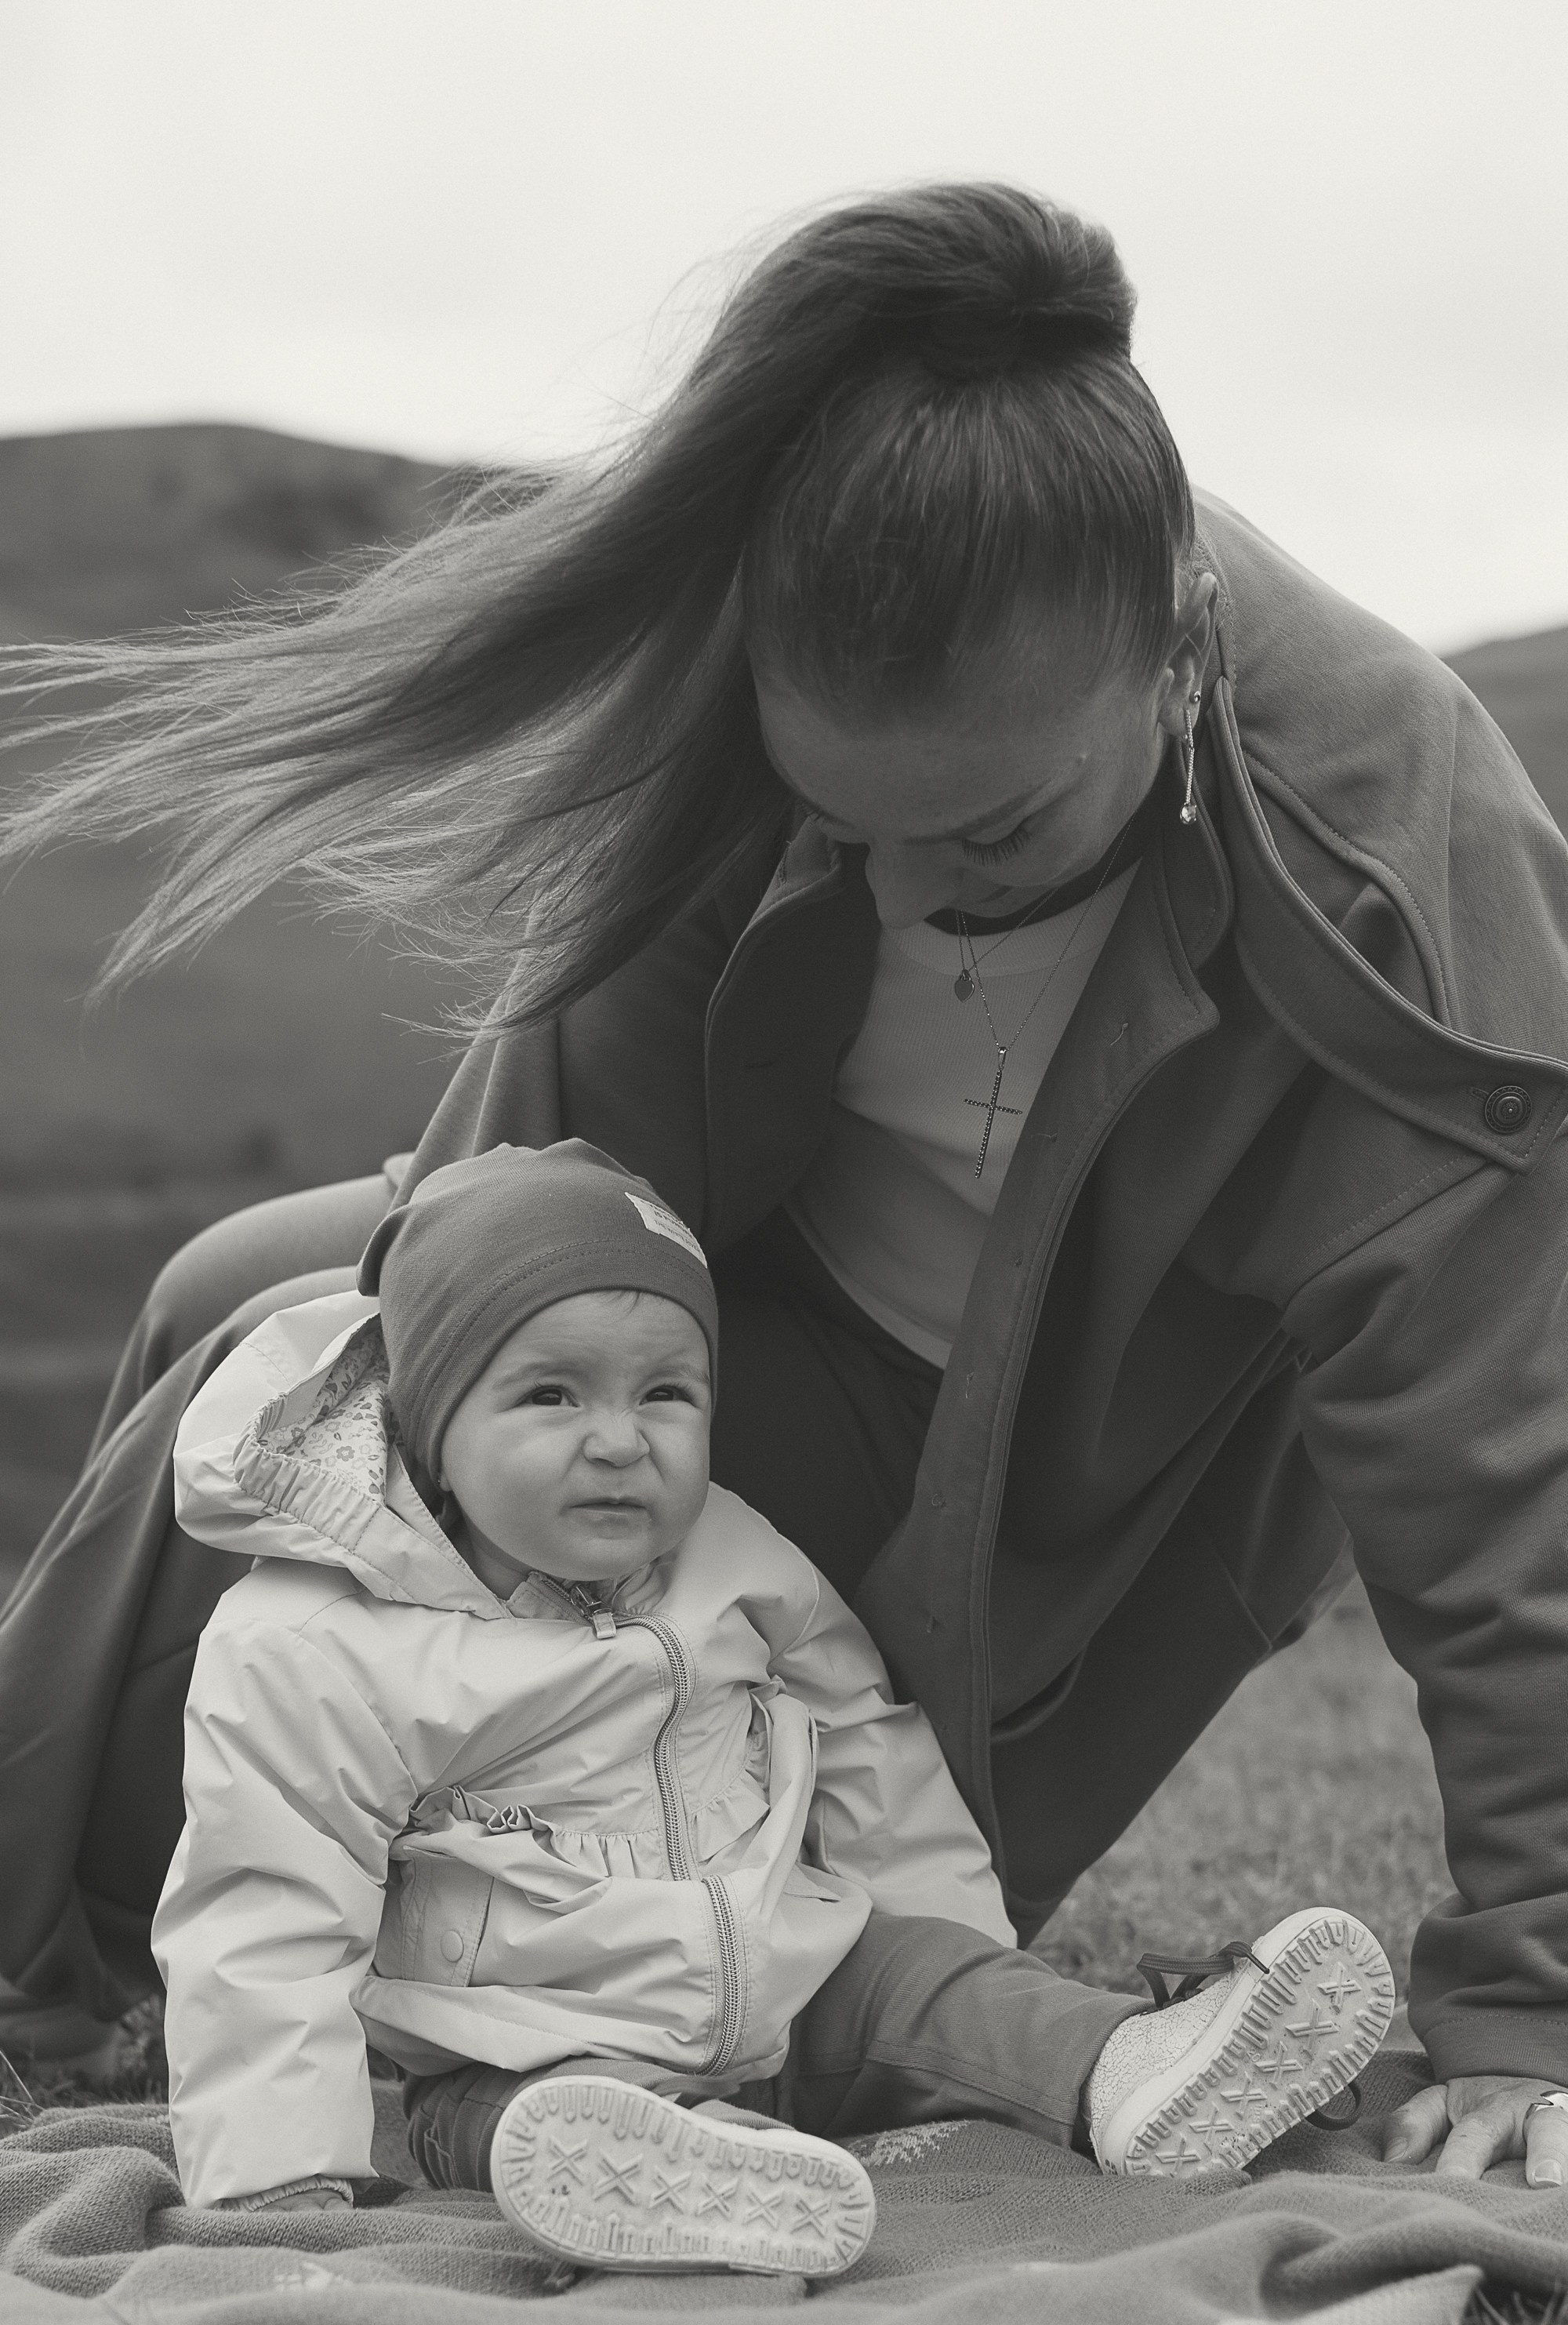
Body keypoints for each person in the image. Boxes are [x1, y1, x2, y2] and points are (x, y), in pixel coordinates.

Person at [3, 181, 1568, 2191]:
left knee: (780, 1918)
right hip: (726, 1359)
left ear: (1177, 653)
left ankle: (498, 2015)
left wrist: (1533, 1998)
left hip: (1078, 1508)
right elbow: (522, 1197)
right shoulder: (754, 679)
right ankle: (131, 1938)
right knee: (264, 1301)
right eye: (850, 825)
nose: (913, 894)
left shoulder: (1405, 875)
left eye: (991, 833)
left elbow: (1498, 1480)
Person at [154, 1138, 1391, 2265]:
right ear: (430, 1423)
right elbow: (263, 1908)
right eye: (551, 1396)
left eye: (665, 1395)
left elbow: (865, 1740)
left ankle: (1132, 2075)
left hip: (786, 1977)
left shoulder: (732, 1558)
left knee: (937, 1993)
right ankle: (666, 2177)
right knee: (520, 2111)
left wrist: (957, 1938)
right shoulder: (314, 1642)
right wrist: (276, 2175)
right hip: (522, 2032)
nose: (620, 1440)